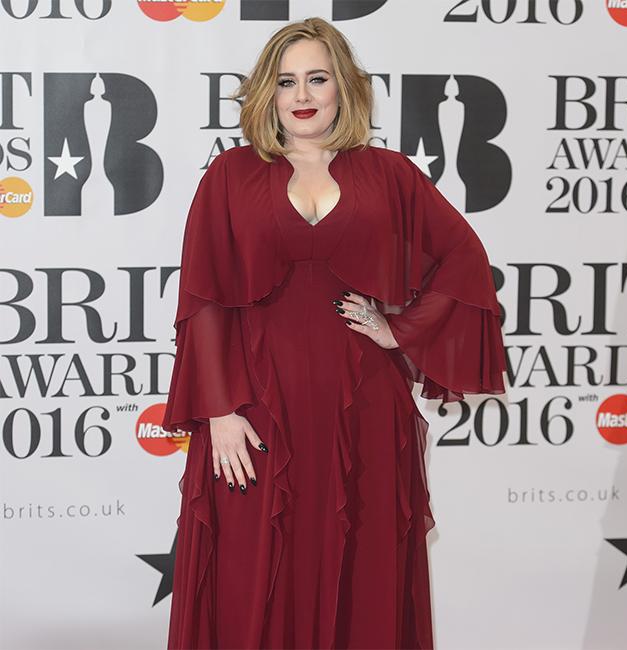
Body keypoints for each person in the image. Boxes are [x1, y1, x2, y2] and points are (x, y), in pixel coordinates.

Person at [162, 16, 507, 650]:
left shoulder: (390, 174)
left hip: (365, 407)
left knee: (363, 574)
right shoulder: (230, 175)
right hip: (255, 411)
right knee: (250, 575)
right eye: (285, 80)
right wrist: (218, 410)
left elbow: (464, 260)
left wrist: (400, 332)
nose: (301, 95)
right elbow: (203, 300)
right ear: (266, 93)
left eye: (317, 78)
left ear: (343, 87)